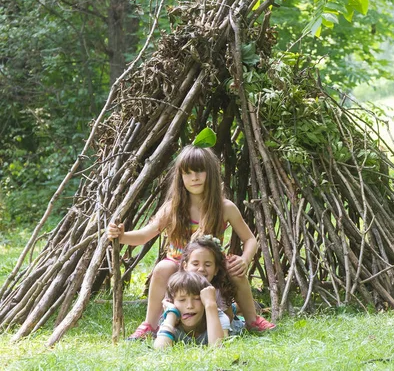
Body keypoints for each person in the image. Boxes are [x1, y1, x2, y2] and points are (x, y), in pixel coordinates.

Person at [107, 145, 275, 340]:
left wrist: (245, 260)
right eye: (187, 173)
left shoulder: (225, 207)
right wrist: (122, 235)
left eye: (199, 171)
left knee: (234, 269)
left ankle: (252, 319)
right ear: (180, 178)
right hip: (180, 267)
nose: (194, 177)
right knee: (162, 267)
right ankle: (150, 325)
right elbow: (146, 234)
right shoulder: (173, 208)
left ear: (211, 173)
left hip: (212, 267)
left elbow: (250, 239)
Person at [153, 271, 225, 349]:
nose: (190, 306)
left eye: (197, 299)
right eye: (182, 300)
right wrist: (171, 313)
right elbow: (160, 348)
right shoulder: (170, 319)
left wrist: (210, 305)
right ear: (171, 302)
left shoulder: (217, 316)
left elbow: (217, 347)